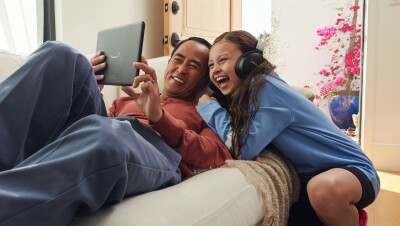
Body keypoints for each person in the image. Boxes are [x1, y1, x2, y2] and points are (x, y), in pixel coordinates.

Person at [0, 37, 230, 226]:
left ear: (203, 80)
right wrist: (86, 85)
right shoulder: (133, 100)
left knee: (111, 132)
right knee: (61, 55)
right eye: (178, 60)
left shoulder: (205, 109)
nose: (181, 68)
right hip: (109, 130)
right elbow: (94, 125)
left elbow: (217, 153)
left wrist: (159, 117)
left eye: (193, 66)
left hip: (154, 151)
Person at [196, 30, 380, 226]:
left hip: (353, 171)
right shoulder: (247, 97)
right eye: (211, 65)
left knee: (322, 190)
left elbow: (243, 146)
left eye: (222, 60)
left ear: (250, 61)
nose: (215, 69)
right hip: (312, 182)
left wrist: (209, 108)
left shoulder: (266, 87)